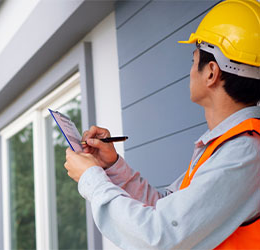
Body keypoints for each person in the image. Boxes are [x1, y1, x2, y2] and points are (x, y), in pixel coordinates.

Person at [63, 0, 260, 249]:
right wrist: (112, 166)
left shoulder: (243, 152)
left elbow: (159, 236)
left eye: (193, 59)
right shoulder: (226, 146)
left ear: (211, 72)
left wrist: (91, 179)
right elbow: (164, 208)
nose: (189, 71)